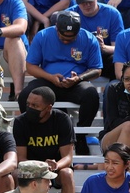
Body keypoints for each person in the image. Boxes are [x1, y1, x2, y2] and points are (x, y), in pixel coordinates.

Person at [18, 11, 102, 155]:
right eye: (63, 37)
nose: (66, 41)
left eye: (71, 38)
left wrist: (79, 78)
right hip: (48, 81)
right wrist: (50, 77)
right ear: (56, 27)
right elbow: (30, 66)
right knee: (26, 96)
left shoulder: (89, 38)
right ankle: (35, 134)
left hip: (75, 83)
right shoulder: (43, 36)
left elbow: (97, 69)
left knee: (91, 94)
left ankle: (80, 136)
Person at [13, 86, 80, 193]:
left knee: (67, 173)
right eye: (28, 104)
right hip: (31, 169)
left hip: (55, 169)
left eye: (35, 106)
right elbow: (21, 158)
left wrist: (56, 165)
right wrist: (40, 167)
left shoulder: (62, 119)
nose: (30, 108)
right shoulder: (20, 122)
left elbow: (68, 157)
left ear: (49, 107)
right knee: (15, 173)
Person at [69, 0, 124, 80]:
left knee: (117, 61)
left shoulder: (112, 14)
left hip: (103, 57)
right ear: (76, 0)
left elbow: (119, 48)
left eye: (90, 0)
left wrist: (103, 47)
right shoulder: (69, 15)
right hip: (77, 56)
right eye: (83, 2)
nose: (87, 5)